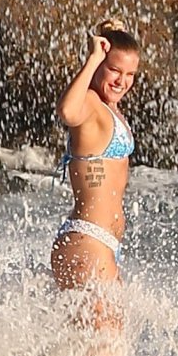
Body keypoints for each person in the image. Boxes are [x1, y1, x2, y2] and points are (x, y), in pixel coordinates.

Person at [51, 19, 140, 298]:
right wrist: (93, 58)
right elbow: (67, 112)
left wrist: (113, 34)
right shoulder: (89, 102)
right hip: (88, 240)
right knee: (107, 329)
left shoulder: (109, 107)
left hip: (102, 245)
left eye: (130, 74)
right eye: (115, 70)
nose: (122, 81)